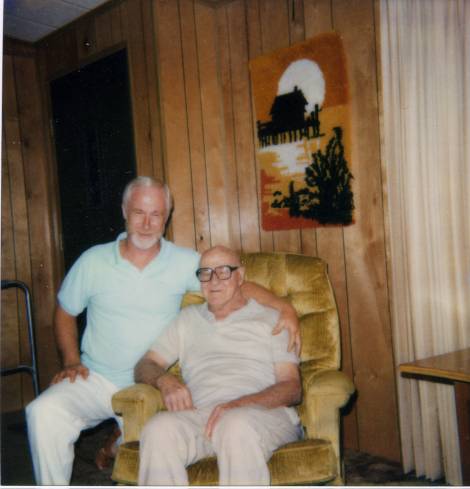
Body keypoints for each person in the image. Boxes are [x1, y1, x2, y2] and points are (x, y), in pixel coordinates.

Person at [25, 176, 300, 486]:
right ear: (124, 211)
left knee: (175, 429)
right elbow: (65, 310)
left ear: (166, 217)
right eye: (139, 212)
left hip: (152, 392)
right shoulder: (93, 261)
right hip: (100, 378)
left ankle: (118, 438)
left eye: (156, 214)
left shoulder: (185, 262)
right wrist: (71, 360)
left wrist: (284, 307)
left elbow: (228, 283)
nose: (146, 223)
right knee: (42, 413)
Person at [135, 245, 303, 486]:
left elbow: (292, 388)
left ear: (240, 276)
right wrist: (165, 381)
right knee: (157, 429)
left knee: (235, 425)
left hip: (262, 414)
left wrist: (237, 405)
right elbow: (144, 364)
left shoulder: (273, 319)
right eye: (205, 272)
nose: (213, 281)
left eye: (223, 271)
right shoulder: (187, 319)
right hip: (203, 416)